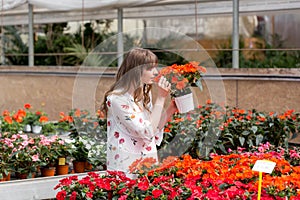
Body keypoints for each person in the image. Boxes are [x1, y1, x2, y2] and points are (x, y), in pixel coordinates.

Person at [101, 47, 177, 177]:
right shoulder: (116, 99)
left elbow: (154, 128)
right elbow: (146, 132)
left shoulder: (143, 95)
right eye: (149, 68)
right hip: (125, 165)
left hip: (147, 161)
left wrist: (172, 108)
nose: (155, 72)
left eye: (155, 67)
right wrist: (161, 98)